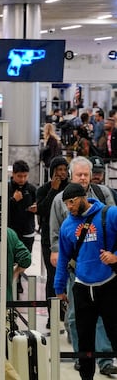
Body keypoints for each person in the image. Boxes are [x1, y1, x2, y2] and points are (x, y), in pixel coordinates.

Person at [49, 156, 117, 374]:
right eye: (66, 204)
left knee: (112, 331)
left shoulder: (109, 212)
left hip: (109, 283)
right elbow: (62, 257)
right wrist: (58, 288)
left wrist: (115, 256)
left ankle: (107, 363)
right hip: (80, 284)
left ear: (82, 197)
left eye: (71, 203)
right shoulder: (68, 225)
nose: (68, 207)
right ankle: (85, 373)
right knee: (83, 336)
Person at [36, 156, 69, 315]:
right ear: (52, 172)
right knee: (53, 275)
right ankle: (53, 314)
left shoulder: (71, 189)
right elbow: (42, 210)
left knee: (69, 275)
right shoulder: (43, 190)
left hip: (70, 239)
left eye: (64, 170)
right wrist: (53, 190)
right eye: (58, 170)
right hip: (49, 240)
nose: (62, 173)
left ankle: (66, 311)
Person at [8, 160, 38, 254]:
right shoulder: (6, 188)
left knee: (25, 261)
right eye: (19, 176)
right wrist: (13, 200)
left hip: (27, 232)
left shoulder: (32, 189)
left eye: (25, 176)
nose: (22, 179)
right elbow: (1, 210)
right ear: (13, 174)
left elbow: (39, 207)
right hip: (11, 232)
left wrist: (37, 209)